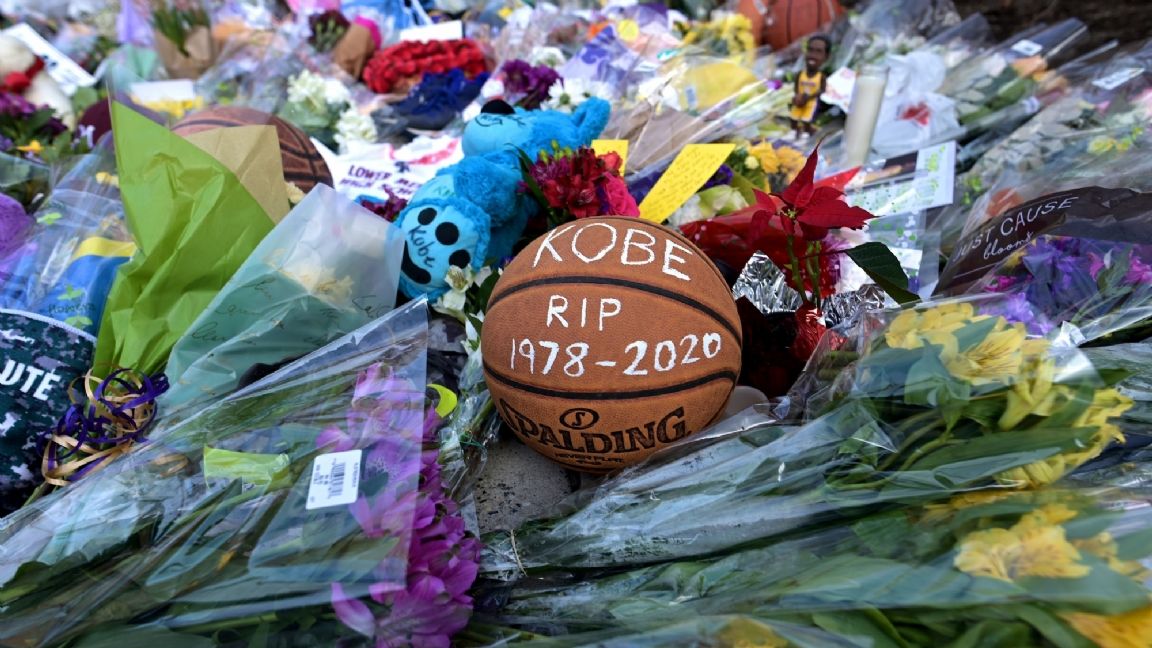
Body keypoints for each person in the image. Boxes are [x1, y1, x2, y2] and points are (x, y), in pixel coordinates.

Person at [789, 33, 830, 141]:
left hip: (811, 103)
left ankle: (806, 132)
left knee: (806, 119)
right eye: (810, 50)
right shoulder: (800, 74)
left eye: (818, 51)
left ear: (826, 57)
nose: (813, 55)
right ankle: (794, 131)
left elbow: (822, 90)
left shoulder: (821, 77)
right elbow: (796, 87)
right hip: (799, 101)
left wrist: (809, 97)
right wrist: (797, 96)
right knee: (794, 117)